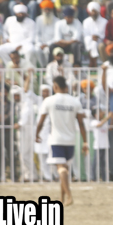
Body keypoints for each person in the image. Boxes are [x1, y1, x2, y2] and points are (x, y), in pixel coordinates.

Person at [35, 75, 87, 204]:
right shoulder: (75, 102)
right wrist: (85, 141)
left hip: (56, 140)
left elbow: (41, 121)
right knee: (65, 170)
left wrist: (37, 134)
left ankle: (69, 196)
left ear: (55, 86)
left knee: (61, 169)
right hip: (70, 140)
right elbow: (81, 123)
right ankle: (62, 198)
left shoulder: (49, 101)